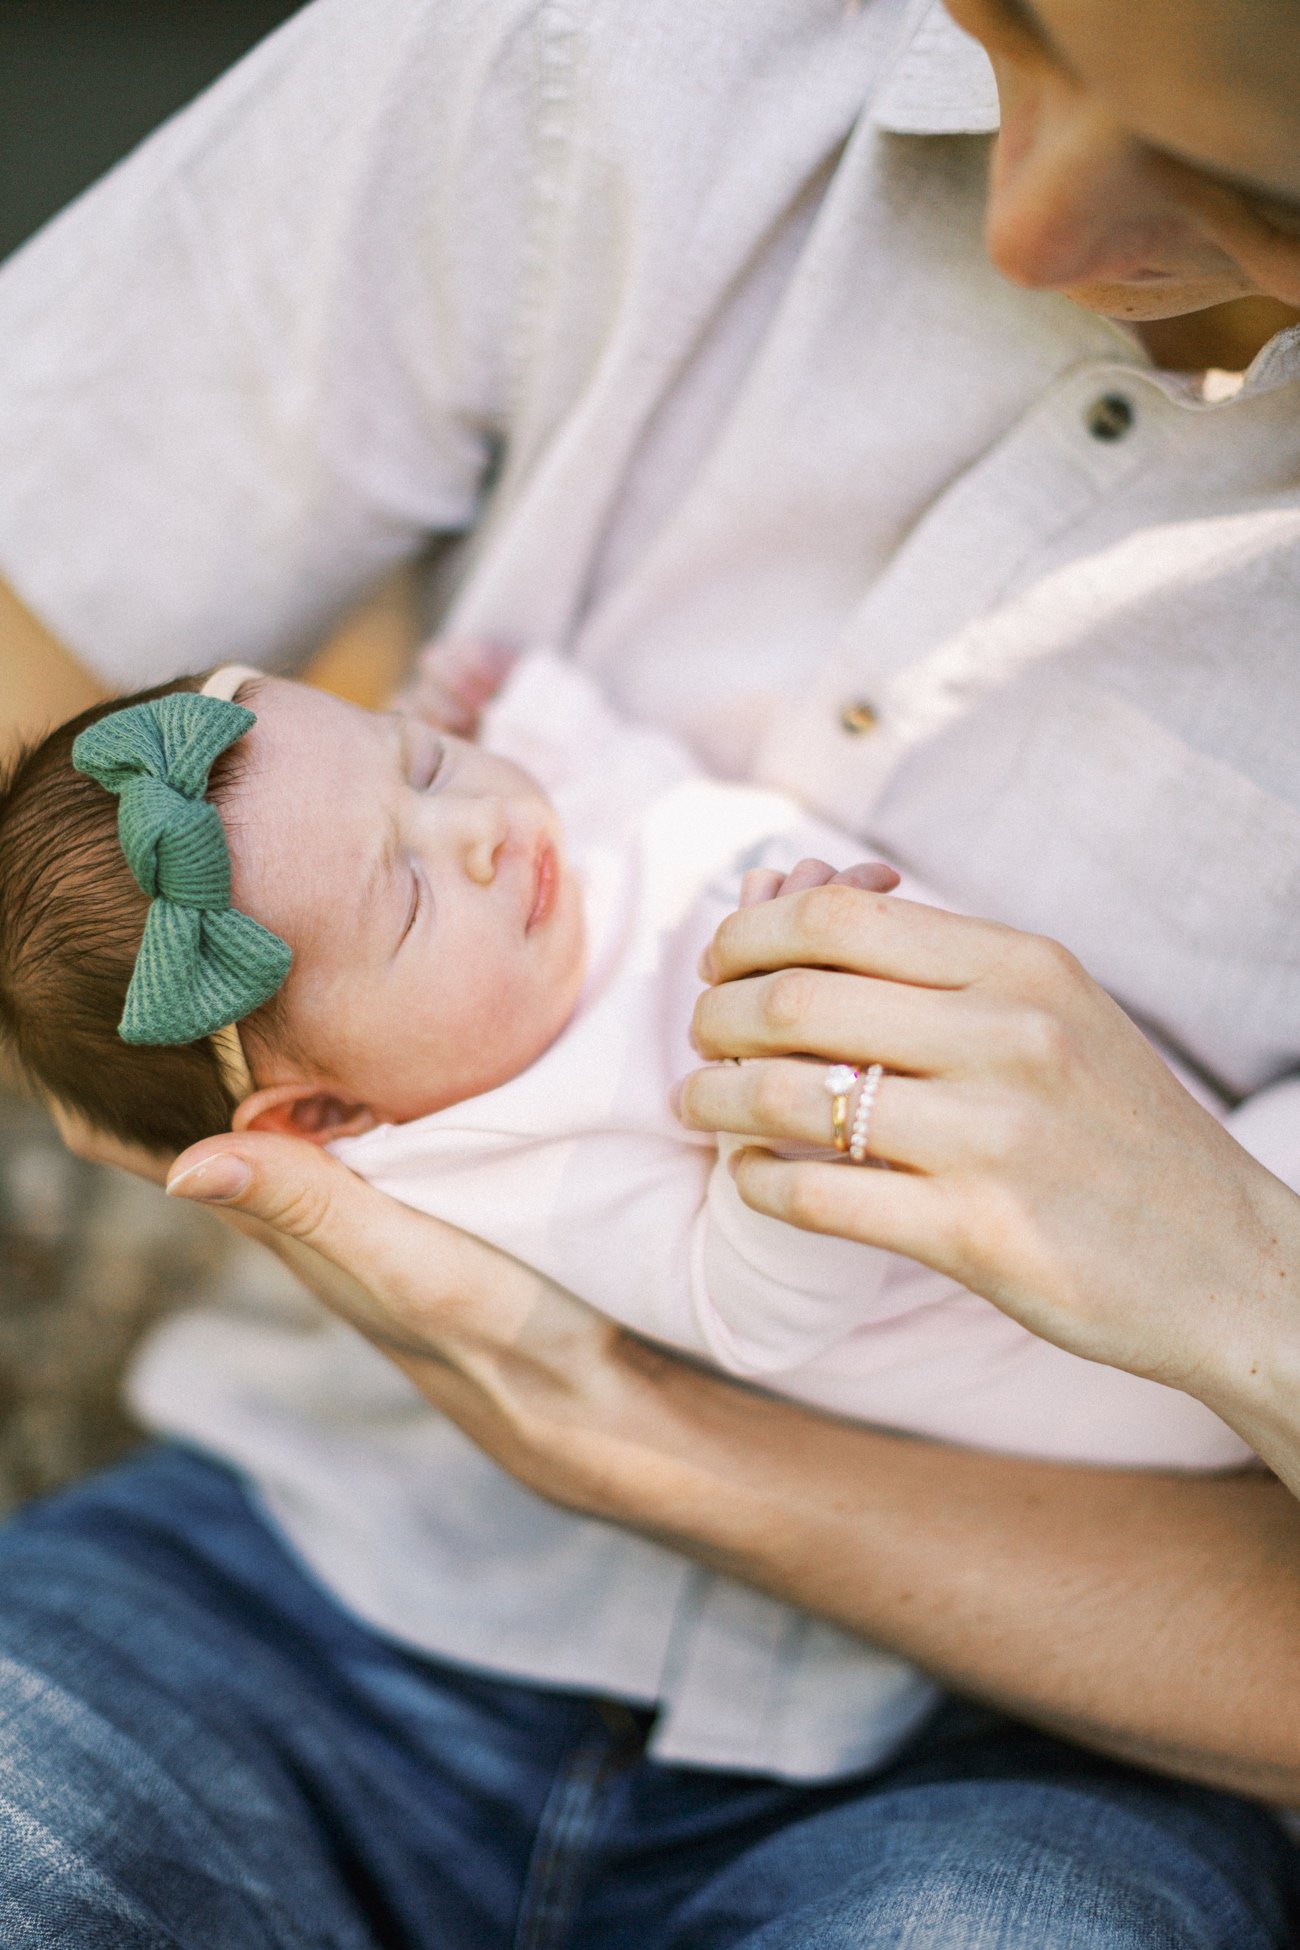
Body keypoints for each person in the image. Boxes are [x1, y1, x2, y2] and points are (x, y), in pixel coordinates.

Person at [3, 0, 1300, 1942]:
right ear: (323, 1108)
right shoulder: (467, 1157)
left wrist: (1233, 1281)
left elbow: (520, 761)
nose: (1019, 230)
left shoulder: (509, 838)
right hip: (321, 1545)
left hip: (1026, 1736)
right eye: (1007, 30)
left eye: (1243, 185)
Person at [3, 647, 1253, 1473]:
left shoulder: (524, 911)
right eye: (410, 899)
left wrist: (514, 703)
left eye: (419, 757)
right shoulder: (510, 1157)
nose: (482, 830)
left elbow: (607, 793)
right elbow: (752, 1315)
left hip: (1158, 1140)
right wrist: (788, 1133)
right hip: (1106, 1358)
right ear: (328, 1107)